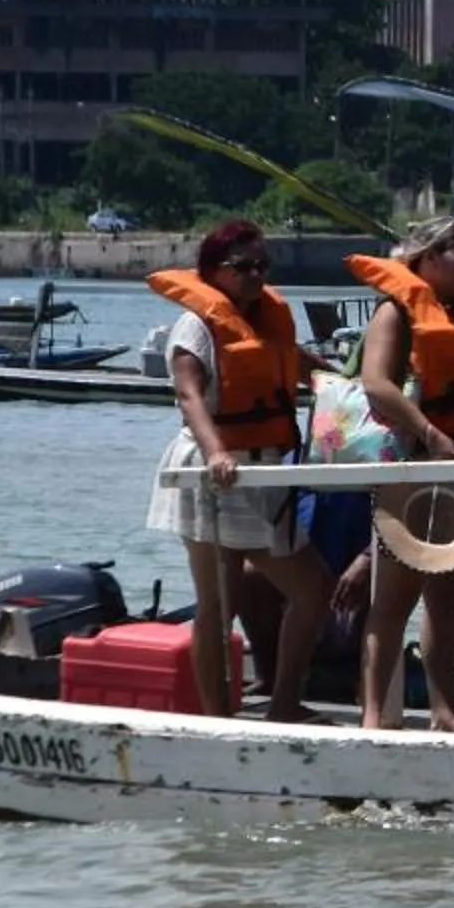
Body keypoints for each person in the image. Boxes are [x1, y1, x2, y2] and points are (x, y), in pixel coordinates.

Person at [144, 220, 334, 720]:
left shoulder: (268, 320)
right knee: (216, 602)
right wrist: (216, 453)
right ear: (213, 272)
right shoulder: (196, 326)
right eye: (243, 267)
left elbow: (291, 361)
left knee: (313, 590)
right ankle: (214, 717)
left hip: (266, 470)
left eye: (262, 266)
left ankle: (285, 703)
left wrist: (342, 381)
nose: (255, 275)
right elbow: (188, 395)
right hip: (213, 472)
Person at [347, 217, 454, 732]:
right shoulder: (396, 311)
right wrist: (429, 432)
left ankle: (444, 710)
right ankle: (374, 715)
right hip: (413, 468)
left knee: (447, 599)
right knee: (394, 599)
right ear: (427, 259)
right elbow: (376, 384)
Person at [236, 490, 374, 705]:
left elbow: (401, 509)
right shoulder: (292, 458)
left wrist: (369, 557)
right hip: (304, 561)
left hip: (359, 562)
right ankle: (270, 678)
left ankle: (364, 685)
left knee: (381, 577)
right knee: (249, 575)